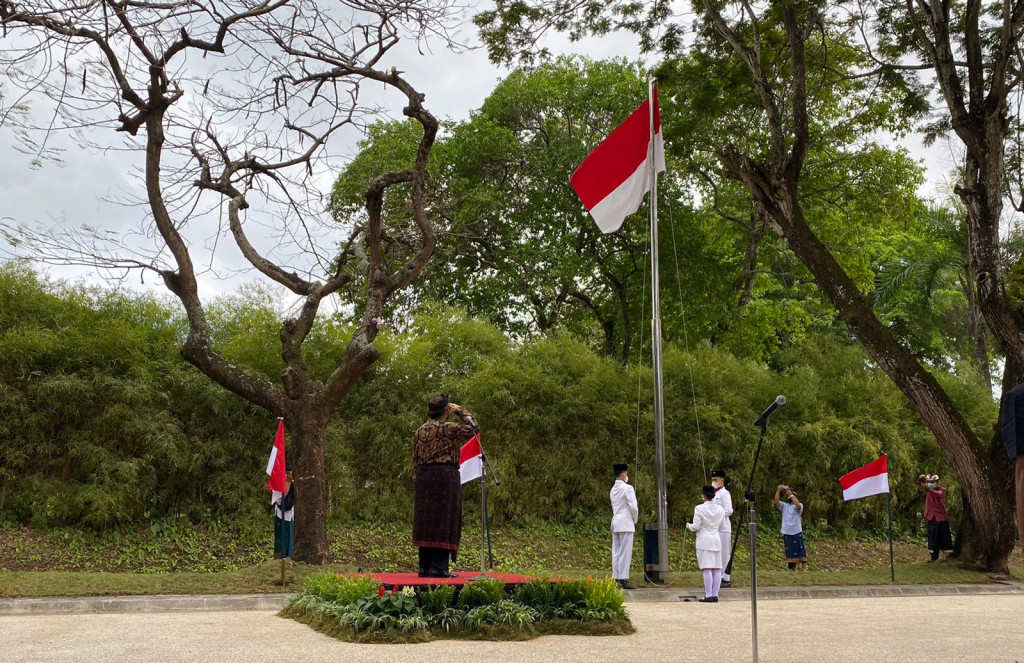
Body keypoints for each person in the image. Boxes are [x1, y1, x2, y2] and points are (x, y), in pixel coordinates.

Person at [412, 394, 479, 577]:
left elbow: (415, 460)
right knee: (444, 519)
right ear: (445, 411)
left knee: (426, 521)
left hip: (424, 478)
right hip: (445, 477)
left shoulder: (419, 431)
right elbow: (474, 428)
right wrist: (460, 411)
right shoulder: (449, 428)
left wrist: (417, 480)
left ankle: (424, 566)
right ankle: (439, 567)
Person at [687, 485, 726, 602]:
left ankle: (708, 595)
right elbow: (723, 526)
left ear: (703, 496)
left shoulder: (699, 508)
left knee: (707, 568)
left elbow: (696, 526)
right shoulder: (720, 509)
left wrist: (688, 526)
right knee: (717, 568)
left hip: (704, 539)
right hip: (716, 539)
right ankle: (715, 594)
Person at [610, 463, 639, 590]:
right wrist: (635, 519)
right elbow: (633, 506)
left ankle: (616, 576)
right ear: (623, 475)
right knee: (625, 552)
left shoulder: (613, 489)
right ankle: (623, 578)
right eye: (626, 474)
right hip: (626, 522)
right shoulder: (628, 488)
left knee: (616, 551)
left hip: (616, 521)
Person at [916, 473, 953, 563]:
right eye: (929, 482)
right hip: (932, 516)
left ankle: (944, 558)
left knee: (944, 537)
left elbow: (938, 495)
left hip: (942, 516)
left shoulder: (942, 490)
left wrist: (929, 488)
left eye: (933, 482)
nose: (931, 483)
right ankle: (933, 558)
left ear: (937, 482)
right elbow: (918, 483)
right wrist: (921, 478)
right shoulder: (928, 490)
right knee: (932, 537)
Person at [775, 484, 807, 571]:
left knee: (800, 548)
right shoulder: (785, 506)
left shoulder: (799, 505)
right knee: (790, 549)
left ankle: (804, 568)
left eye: (793, 496)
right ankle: (794, 568)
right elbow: (777, 502)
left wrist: (790, 494)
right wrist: (778, 490)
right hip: (787, 531)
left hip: (796, 530)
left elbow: (798, 505)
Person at [711, 469, 734, 587]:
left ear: (721, 480)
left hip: (723, 527)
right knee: (716, 553)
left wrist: (716, 516)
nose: (713, 482)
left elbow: (729, 510)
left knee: (724, 553)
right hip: (714, 528)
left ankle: (725, 578)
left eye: (715, 480)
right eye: (713, 480)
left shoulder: (725, 494)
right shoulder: (713, 493)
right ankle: (717, 578)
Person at [272, 467, 295, 559]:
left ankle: (290, 557)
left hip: (292, 516)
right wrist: (288, 482)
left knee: (291, 540)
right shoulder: (277, 482)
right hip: (281, 516)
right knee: (282, 540)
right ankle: (280, 560)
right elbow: (280, 499)